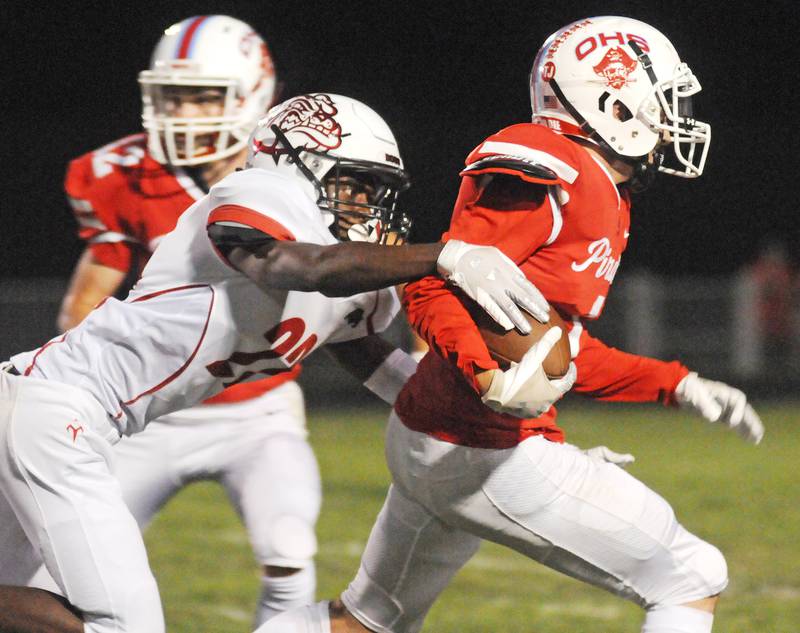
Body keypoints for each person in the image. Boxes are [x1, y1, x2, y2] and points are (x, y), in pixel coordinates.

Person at [259, 16, 765, 633]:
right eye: (664, 100)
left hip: (437, 433)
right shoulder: (548, 164)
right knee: (691, 577)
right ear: (612, 100)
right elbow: (432, 280)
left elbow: (559, 347)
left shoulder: (605, 191)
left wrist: (676, 383)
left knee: (366, 620)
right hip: (480, 449)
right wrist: (485, 375)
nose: (674, 118)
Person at [0, 91, 551, 633]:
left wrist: (511, 428)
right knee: (119, 625)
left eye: (377, 190)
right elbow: (291, 265)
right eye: (355, 183)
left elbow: (391, 377)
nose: (366, 204)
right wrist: (443, 255)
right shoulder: (258, 194)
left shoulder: (342, 274)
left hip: (64, 417)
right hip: (57, 411)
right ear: (300, 164)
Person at [53, 14, 327, 626]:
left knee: (289, 548)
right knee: (63, 558)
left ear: (254, 96)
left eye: (204, 95)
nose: (185, 112)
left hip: (257, 410)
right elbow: (83, 302)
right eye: (173, 96)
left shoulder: (294, 175)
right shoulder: (119, 174)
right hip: (150, 412)